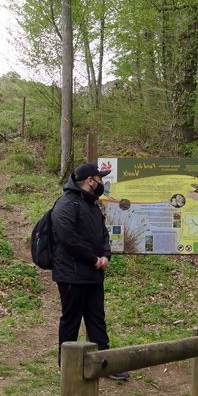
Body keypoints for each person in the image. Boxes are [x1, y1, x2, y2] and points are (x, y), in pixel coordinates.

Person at [51, 162, 129, 381]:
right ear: (90, 181)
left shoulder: (92, 205)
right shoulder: (66, 204)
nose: (102, 183)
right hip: (71, 274)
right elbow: (68, 238)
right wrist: (93, 259)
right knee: (71, 320)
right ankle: (65, 366)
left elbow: (103, 235)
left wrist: (105, 256)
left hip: (93, 273)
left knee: (96, 319)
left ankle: (103, 364)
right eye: (100, 179)